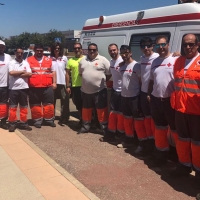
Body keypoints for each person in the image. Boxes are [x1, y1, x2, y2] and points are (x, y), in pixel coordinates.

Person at [170, 34, 200, 188]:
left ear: (197, 44)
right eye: (185, 44)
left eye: (191, 44)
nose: (188, 47)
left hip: (197, 113)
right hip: (180, 110)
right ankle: (184, 165)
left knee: (198, 144)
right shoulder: (179, 61)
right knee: (182, 140)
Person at [148, 35, 178, 166]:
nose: (161, 48)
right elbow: (151, 80)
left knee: (175, 129)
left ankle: (177, 156)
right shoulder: (154, 62)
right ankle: (161, 154)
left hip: (170, 100)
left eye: (163, 44)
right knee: (159, 128)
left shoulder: (176, 59)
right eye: (158, 45)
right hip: (156, 99)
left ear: (168, 45)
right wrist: (149, 94)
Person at [117, 45, 146, 149]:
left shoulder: (137, 66)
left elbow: (140, 82)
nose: (124, 55)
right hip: (124, 97)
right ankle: (129, 140)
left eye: (126, 53)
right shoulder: (121, 66)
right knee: (127, 120)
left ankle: (142, 143)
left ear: (131, 53)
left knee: (138, 121)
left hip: (135, 97)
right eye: (122, 53)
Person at [78, 43, 111, 135]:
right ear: (87, 50)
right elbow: (81, 73)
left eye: (94, 49)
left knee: (101, 110)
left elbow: (109, 73)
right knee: (86, 110)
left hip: (99, 91)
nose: (92, 51)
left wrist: (101, 81)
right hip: (85, 91)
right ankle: (85, 127)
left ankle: (104, 128)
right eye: (90, 49)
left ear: (97, 50)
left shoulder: (103, 60)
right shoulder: (82, 60)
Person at [134, 37, 159, 156]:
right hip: (143, 93)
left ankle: (156, 144)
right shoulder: (142, 58)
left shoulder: (157, 58)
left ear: (152, 46)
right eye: (143, 46)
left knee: (153, 120)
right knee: (146, 119)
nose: (146, 48)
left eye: (148, 46)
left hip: (152, 94)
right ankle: (148, 143)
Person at [27, 44, 57, 128]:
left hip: (47, 86)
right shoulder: (28, 60)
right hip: (34, 87)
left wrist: (54, 83)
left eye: (41, 50)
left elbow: (53, 72)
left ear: (43, 51)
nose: (39, 52)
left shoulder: (49, 60)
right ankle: (37, 120)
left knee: (49, 104)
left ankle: (49, 120)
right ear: (34, 51)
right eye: (37, 50)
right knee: (35, 105)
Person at [99, 43, 124, 142]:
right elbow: (110, 74)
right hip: (114, 90)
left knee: (121, 115)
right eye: (110, 50)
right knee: (113, 114)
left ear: (117, 50)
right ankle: (111, 135)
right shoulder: (111, 61)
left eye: (114, 50)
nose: (112, 52)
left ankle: (122, 137)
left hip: (123, 92)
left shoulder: (123, 61)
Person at [8, 48, 32, 132]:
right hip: (13, 89)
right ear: (15, 53)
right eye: (18, 53)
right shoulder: (11, 62)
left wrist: (17, 73)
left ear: (23, 54)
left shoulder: (26, 63)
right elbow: (11, 73)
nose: (19, 54)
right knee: (12, 107)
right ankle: (12, 124)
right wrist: (22, 71)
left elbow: (29, 74)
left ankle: (24, 123)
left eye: (21, 53)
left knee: (24, 107)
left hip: (24, 88)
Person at [50, 42, 70, 126]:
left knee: (64, 101)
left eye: (58, 48)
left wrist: (68, 85)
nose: (57, 50)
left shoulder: (64, 58)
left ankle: (64, 117)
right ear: (53, 49)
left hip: (62, 83)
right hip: (52, 83)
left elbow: (67, 72)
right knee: (51, 101)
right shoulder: (49, 58)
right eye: (55, 48)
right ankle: (51, 117)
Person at [66, 42, 83, 124]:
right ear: (73, 50)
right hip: (75, 86)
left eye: (78, 48)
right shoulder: (70, 61)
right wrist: (68, 86)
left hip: (86, 86)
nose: (77, 50)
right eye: (75, 48)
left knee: (87, 105)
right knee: (78, 105)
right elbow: (67, 74)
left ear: (81, 49)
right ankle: (82, 120)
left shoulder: (86, 59)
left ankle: (90, 122)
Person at [0, 40, 12, 130]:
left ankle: (3, 121)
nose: (1, 48)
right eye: (0, 46)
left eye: (2, 46)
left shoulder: (8, 57)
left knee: (4, 105)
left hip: (5, 86)